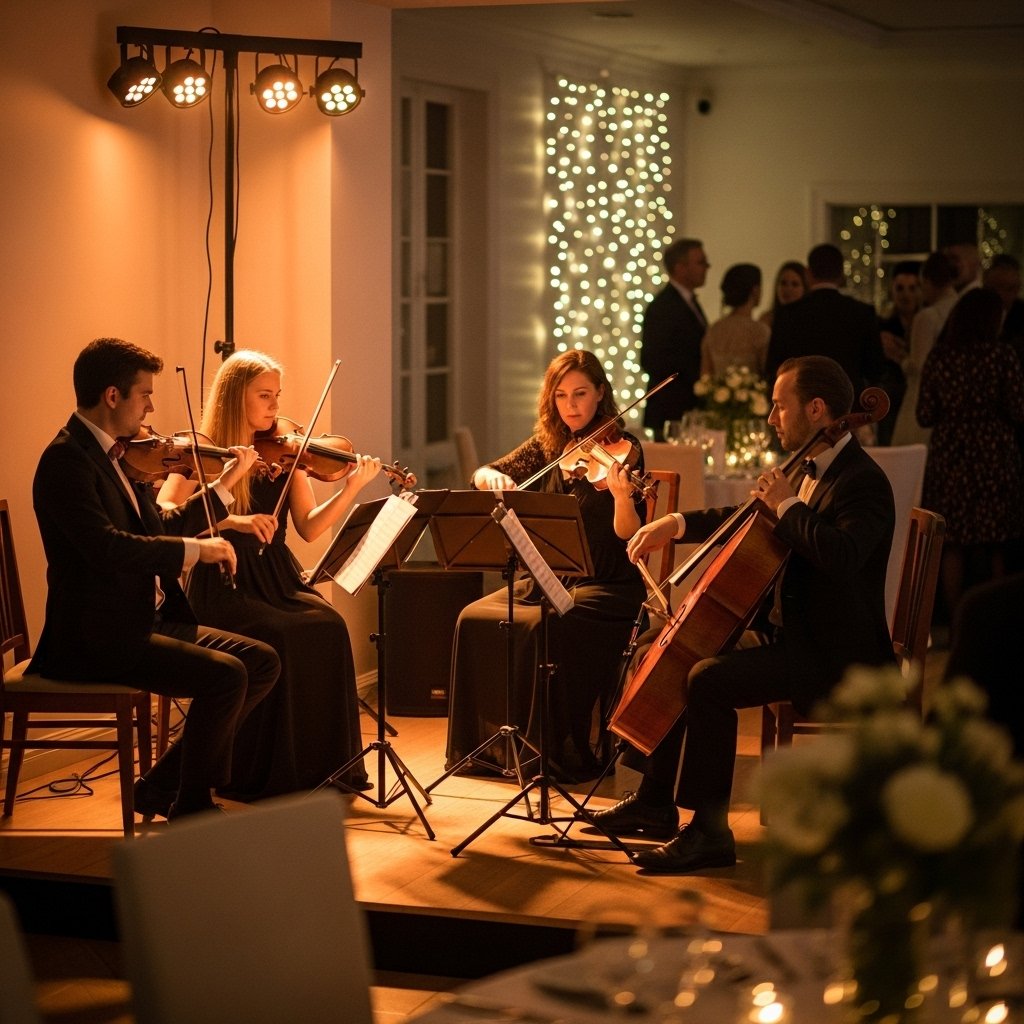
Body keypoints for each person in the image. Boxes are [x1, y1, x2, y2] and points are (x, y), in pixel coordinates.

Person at [592, 355, 895, 872]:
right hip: (793, 633)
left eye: (780, 407)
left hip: (836, 653)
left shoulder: (862, 482)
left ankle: (709, 832)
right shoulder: (809, 467)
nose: (773, 419)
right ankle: (655, 802)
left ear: (817, 409)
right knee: (670, 646)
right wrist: (676, 522)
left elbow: (843, 557)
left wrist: (790, 508)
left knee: (708, 679)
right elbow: (746, 515)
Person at [30, 338, 281, 820]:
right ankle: (190, 804)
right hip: (95, 635)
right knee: (226, 676)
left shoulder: (117, 457)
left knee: (262, 662)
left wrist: (220, 497)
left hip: (143, 618)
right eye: (144, 393)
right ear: (111, 396)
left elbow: (159, 528)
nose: (151, 405)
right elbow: (107, 548)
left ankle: (159, 786)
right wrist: (196, 550)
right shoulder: (66, 461)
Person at [157, 350, 383, 800]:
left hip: (277, 578)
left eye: (277, 396)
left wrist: (351, 489)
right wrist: (228, 520)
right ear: (234, 397)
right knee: (280, 636)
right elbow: (165, 511)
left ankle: (319, 770)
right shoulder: (202, 449)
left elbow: (310, 526)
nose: (275, 407)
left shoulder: (285, 447)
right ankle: (257, 771)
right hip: (224, 578)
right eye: (265, 396)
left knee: (328, 626)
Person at [445, 349, 647, 780]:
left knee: (548, 626)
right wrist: (489, 477)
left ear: (600, 395)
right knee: (473, 616)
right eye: (561, 396)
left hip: (608, 584)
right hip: (551, 577)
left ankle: (549, 752)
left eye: (580, 394)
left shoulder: (625, 450)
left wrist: (622, 496)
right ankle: (491, 749)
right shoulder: (551, 445)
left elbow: (629, 535)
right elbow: (488, 471)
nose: (571, 405)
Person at [918, 288, 1024, 619]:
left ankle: (953, 623)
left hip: (950, 454)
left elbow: (925, 414)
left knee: (952, 543)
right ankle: (1002, 622)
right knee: (996, 542)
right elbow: (1018, 410)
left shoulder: (940, 357)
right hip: (994, 453)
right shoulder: (1001, 355)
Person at [765, 244, 886, 408]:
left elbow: (775, 367)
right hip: (848, 406)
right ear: (840, 273)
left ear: (808, 273)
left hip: (802, 406)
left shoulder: (789, 314)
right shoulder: (862, 312)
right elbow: (875, 368)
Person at [640, 238, 710, 440]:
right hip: (670, 410)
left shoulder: (687, 302)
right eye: (701, 262)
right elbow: (652, 359)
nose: (707, 267)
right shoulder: (663, 306)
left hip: (684, 408)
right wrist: (697, 379)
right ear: (680, 268)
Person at [890, 251, 958, 448]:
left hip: (922, 397)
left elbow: (919, 366)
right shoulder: (961, 307)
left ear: (927, 281)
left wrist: (898, 357)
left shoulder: (928, 316)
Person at [876, 260, 922, 445]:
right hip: (891, 397)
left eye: (912, 288)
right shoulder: (883, 325)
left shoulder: (926, 323)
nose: (906, 295)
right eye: (900, 288)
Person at [699, 263, 770, 377]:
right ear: (755, 290)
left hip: (717, 394)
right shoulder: (760, 331)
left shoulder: (714, 330)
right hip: (753, 393)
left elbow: (705, 376)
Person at [757, 261, 807, 331]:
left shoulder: (809, 320)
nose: (788, 289)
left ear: (805, 288)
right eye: (783, 283)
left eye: (795, 284)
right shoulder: (767, 320)